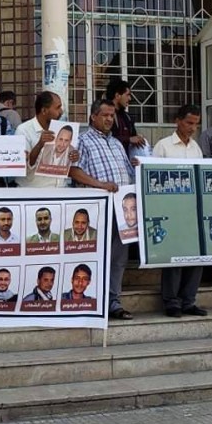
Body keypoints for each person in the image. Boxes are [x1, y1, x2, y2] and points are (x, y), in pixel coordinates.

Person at [70, 99, 135, 320]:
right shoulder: (82, 141)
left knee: (119, 259)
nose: (109, 119)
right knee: (96, 257)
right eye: (105, 115)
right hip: (98, 210)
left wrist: (137, 166)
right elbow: (73, 171)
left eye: (112, 115)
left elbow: (128, 174)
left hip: (123, 211)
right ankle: (93, 301)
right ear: (93, 117)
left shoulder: (116, 143)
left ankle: (113, 302)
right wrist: (100, 185)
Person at [152, 104, 208, 318]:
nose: (192, 128)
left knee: (196, 255)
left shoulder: (195, 148)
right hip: (170, 209)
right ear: (178, 121)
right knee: (174, 257)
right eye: (189, 123)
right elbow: (153, 177)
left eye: (196, 124)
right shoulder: (163, 146)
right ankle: (171, 301)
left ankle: (188, 301)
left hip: (192, 210)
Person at [15, 91, 77, 187]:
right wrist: (40, 144)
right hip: (34, 192)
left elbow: (66, 165)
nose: (61, 112)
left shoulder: (62, 130)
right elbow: (23, 167)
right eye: (58, 108)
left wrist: (73, 157)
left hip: (61, 190)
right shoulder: (24, 130)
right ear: (44, 111)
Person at [106, 79, 146, 154]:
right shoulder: (105, 117)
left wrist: (138, 138)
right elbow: (104, 139)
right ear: (117, 96)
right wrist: (128, 139)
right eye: (127, 95)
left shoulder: (127, 117)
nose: (130, 98)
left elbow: (133, 137)